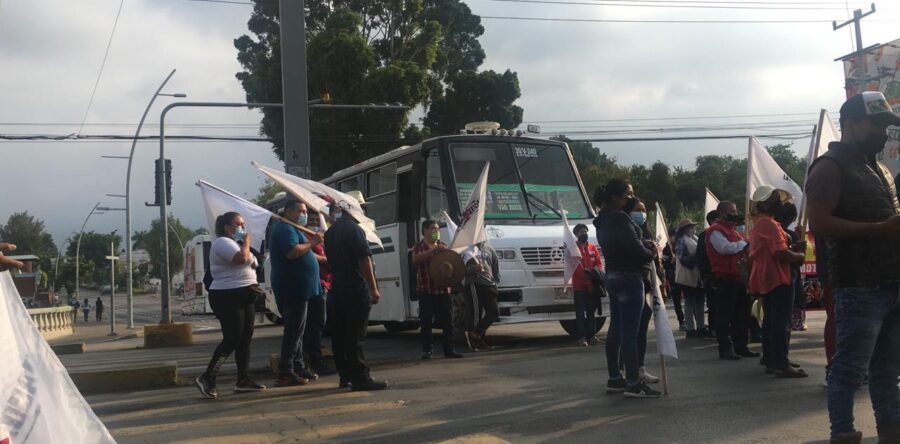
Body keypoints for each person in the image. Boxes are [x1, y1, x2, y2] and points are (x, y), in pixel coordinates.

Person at [805, 91, 900, 443]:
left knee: (887, 369)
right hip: (859, 285)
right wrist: (880, 229)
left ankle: (891, 430)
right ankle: (843, 433)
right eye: (876, 125)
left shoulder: (880, 169)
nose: (883, 134)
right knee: (849, 369)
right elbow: (819, 224)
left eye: (886, 127)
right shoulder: (829, 167)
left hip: (891, 282)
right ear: (851, 124)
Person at [593, 179, 660, 399]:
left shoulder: (602, 220)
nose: (631, 198)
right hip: (629, 276)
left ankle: (615, 377)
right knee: (630, 333)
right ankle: (633, 383)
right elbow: (633, 248)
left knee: (616, 329)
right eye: (628, 194)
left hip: (613, 274)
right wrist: (650, 252)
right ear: (615, 197)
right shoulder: (620, 218)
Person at [195, 212, 266, 399]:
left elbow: (253, 264)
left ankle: (243, 379)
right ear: (227, 227)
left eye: (243, 224)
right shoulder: (222, 243)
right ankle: (208, 377)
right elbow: (240, 259)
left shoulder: (237, 244)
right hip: (227, 296)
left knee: (245, 338)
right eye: (239, 224)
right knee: (232, 338)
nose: (243, 227)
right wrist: (247, 241)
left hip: (245, 294)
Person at [323, 201, 388, 391]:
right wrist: (373, 288)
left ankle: (345, 376)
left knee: (340, 336)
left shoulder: (331, 231)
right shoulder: (354, 229)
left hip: (337, 288)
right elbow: (363, 258)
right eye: (362, 208)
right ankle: (360, 378)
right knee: (355, 337)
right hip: (354, 288)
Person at [748, 186, 807, 378]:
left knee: (771, 320)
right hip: (778, 276)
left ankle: (772, 358)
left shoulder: (761, 222)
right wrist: (799, 256)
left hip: (768, 276)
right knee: (780, 322)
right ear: (765, 204)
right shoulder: (768, 224)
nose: (780, 203)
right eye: (775, 200)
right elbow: (780, 253)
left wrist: (793, 248)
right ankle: (781, 362)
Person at [269, 200, 323, 386]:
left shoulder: (294, 229)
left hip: (302, 288)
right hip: (293, 288)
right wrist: (313, 242)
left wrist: (324, 257)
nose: (305, 215)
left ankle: (298, 367)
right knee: (293, 331)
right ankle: (285, 371)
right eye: (301, 211)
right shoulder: (285, 228)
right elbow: (292, 252)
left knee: (299, 331)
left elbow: (306, 253)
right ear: (289, 211)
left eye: (306, 212)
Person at [706, 201, 758, 360]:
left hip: (739, 277)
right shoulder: (715, 231)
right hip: (725, 278)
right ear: (722, 213)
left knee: (742, 315)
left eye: (735, 210)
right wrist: (743, 243)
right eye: (732, 211)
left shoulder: (733, 230)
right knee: (725, 315)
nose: (735, 214)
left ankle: (741, 346)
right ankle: (725, 348)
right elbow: (725, 248)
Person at [412, 219, 463, 360]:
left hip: (443, 290)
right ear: (425, 231)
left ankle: (449, 349)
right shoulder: (419, 246)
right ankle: (427, 350)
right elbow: (415, 260)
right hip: (426, 289)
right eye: (433, 228)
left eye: (437, 229)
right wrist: (433, 250)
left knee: (448, 321)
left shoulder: (443, 246)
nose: (436, 231)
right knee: (426, 321)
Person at [627, 198, 660, 385]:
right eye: (638, 209)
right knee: (631, 332)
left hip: (648, 284)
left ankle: (640, 368)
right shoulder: (628, 231)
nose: (642, 213)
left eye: (644, 210)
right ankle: (628, 371)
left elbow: (655, 261)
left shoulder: (646, 231)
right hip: (634, 282)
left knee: (642, 330)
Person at [304, 210, 335, 376]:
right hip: (314, 285)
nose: (315, 222)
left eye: (317, 219)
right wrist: (326, 259)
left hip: (324, 283)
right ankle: (314, 361)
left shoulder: (321, 237)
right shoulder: (305, 236)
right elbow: (307, 254)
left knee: (318, 324)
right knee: (314, 324)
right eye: (312, 219)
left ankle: (311, 358)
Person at [774, 203, 807, 332]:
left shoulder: (774, 231)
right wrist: (800, 251)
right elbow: (799, 260)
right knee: (787, 307)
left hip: (773, 275)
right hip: (788, 274)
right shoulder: (789, 234)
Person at [461, 242, 500, 351]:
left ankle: (476, 334)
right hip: (474, 284)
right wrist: (474, 269)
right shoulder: (465, 250)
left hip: (489, 285)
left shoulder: (489, 248)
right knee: (476, 313)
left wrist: (496, 282)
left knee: (494, 312)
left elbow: (495, 268)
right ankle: (476, 342)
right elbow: (459, 271)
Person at [571, 223, 604, 346]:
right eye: (581, 232)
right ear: (576, 234)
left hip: (592, 285)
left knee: (591, 312)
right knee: (580, 313)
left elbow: (598, 263)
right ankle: (582, 338)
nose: (584, 234)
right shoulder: (573, 248)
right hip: (580, 286)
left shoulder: (592, 247)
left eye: (585, 232)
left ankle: (592, 336)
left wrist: (595, 274)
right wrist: (587, 278)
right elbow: (574, 267)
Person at [674, 219, 704, 338]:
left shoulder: (695, 238)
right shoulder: (681, 241)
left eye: (692, 226)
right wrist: (696, 259)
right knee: (689, 303)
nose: (692, 229)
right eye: (689, 227)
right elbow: (682, 258)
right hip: (687, 275)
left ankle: (701, 327)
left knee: (700, 302)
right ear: (683, 229)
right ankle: (690, 329)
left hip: (697, 276)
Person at [695, 210, 719, 339]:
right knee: (713, 304)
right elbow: (701, 257)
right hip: (711, 275)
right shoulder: (705, 235)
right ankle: (713, 329)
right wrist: (705, 274)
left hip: (719, 274)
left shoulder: (724, 233)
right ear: (712, 221)